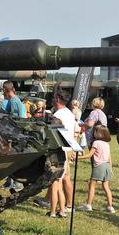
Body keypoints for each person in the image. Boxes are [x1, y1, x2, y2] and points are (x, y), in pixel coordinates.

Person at [47, 89, 76, 217]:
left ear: (58, 99)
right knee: (65, 179)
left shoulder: (58, 114)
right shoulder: (69, 113)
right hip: (68, 148)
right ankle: (66, 206)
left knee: (56, 182)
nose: (52, 100)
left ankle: (56, 210)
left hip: (60, 149)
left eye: (54, 98)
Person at [77, 125, 115, 213]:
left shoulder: (96, 143)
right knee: (106, 187)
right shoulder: (107, 144)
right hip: (107, 166)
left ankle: (88, 205)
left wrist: (77, 157)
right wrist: (111, 168)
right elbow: (110, 158)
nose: (93, 132)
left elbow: (90, 155)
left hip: (99, 166)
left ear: (98, 133)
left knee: (92, 185)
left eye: (95, 131)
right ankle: (110, 206)